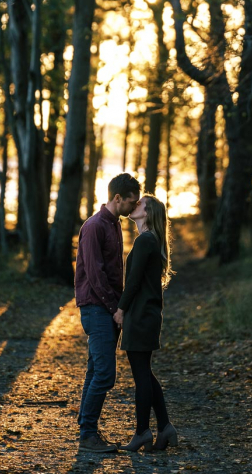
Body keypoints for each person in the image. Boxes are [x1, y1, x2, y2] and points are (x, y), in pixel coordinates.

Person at [75, 172, 141, 453]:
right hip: (96, 308)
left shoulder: (115, 225)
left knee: (95, 369)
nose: (133, 207)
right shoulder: (94, 226)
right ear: (117, 198)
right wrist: (116, 310)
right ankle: (88, 434)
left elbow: (115, 274)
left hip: (109, 308)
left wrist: (121, 305)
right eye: (130, 202)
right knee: (105, 373)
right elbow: (95, 274)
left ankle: (86, 427)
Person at [113, 193, 177, 453]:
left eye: (140, 204)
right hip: (146, 315)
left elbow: (134, 282)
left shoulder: (145, 241)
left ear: (148, 213)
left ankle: (142, 432)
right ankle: (164, 427)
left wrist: (120, 310)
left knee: (142, 376)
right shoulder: (151, 241)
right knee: (145, 375)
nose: (135, 204)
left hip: (140, 316)